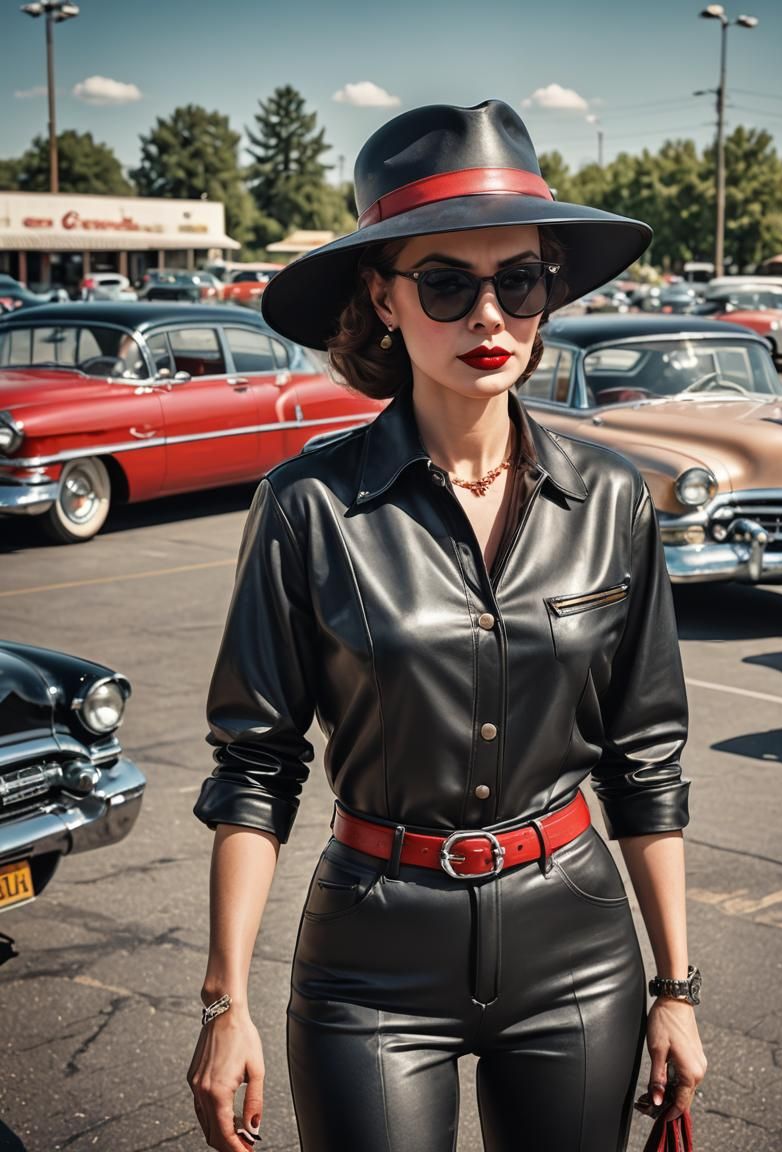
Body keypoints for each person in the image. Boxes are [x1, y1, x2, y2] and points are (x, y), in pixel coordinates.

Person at [188, 99, 706, 1152]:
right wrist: (223, 1004)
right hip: (370, 961)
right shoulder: (307, 507)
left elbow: (646, 758)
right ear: (382, 298)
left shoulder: (611, 498)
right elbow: (255, 764)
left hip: (577, 950)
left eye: (519, 280)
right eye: (446, 283)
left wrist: (675, 989)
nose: (489, 316)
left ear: (548, 289)